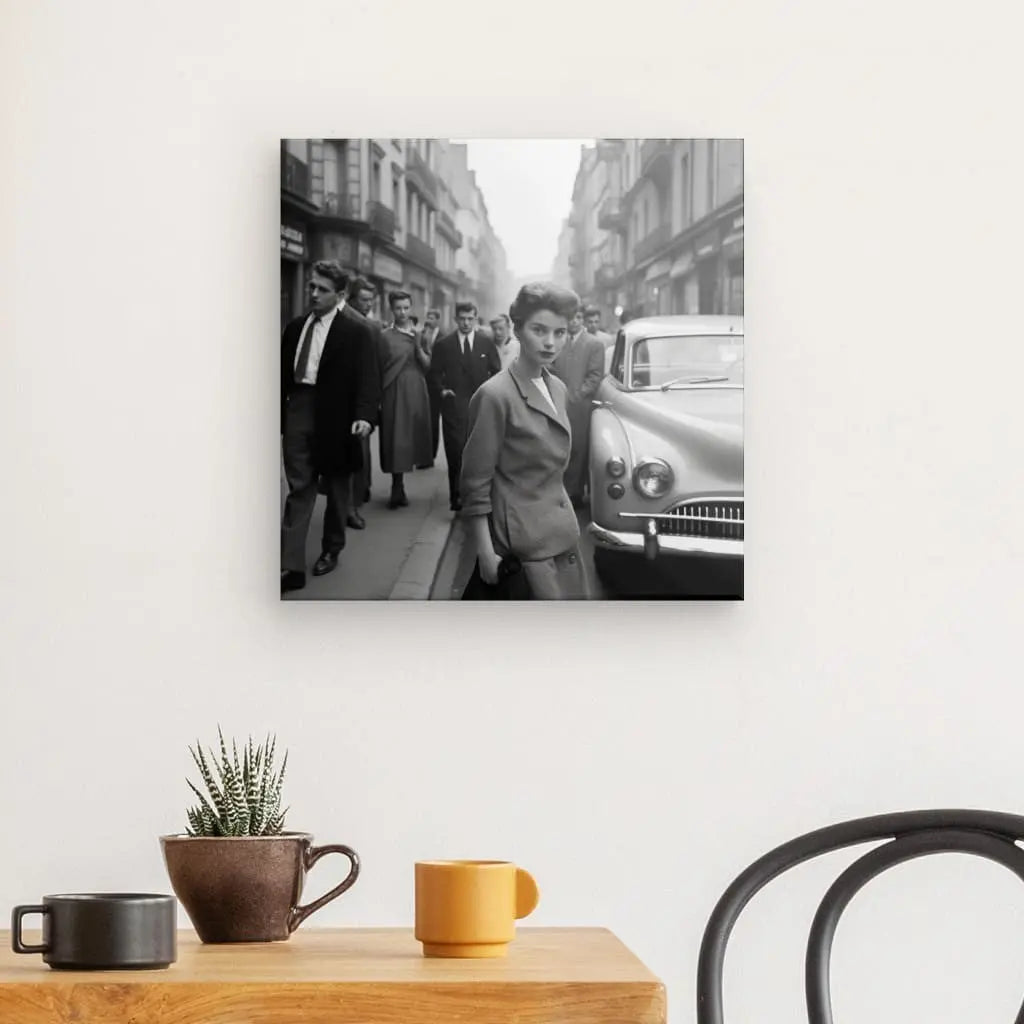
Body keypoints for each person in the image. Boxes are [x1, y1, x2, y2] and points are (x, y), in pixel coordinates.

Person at [459, 282, 589, 600]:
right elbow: (475, 484)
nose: (550, 342)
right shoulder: (494, 395)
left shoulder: (556, 387)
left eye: (559, 333)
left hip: (564, 539)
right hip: (526, 550)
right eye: (539, 330)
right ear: (517, 329)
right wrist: (485, 554)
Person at [280, 260, 379, 592]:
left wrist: (365, 416)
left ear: (339, 295)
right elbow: (282, 377)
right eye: (311, 286)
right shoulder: (295, 328)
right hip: (299, 410)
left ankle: (331, 548)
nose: (313, 294)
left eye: (322, 289)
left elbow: (369, 379)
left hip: (338, 418)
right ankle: (291, 566)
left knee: (337, 489)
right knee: (299, 488)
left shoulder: (356, 332)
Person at [429, 301, 500, 511]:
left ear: (476, 319)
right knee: (455, 452)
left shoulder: (485, 343)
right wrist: (442, 390)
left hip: (480, 408)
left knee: (480, 453)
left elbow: (497, 372)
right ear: (455, 319)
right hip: (454, 407)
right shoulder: (444, 344)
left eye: (470, 319)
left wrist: (490, 394)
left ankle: (477, 496)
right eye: (462, 319)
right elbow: (433, 373)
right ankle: (456, 497)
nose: (466, 323)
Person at [377, 290, 433, 508]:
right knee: (394, 437)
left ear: (411, 308)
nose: (402, 312)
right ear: (391, 309)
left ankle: (401, 485)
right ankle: (396, 486)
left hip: (416, 388)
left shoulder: (420, 334)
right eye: (398, 308)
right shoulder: (384, 336)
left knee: (411, 437)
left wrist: (417, 344)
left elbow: (428, 366)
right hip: (392, 388)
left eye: (406, 307)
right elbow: (379, 366)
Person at [550, 305, 605, 507]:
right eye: (570, 318)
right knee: (559, 446)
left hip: (581, 405)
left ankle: (575, 492)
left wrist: (578, 394)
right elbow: (550, 367)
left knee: (579, 448)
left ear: (582, 320)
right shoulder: (558, 341)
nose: (574, 322)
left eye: (578, 318)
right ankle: (561, 490)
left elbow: (595, 376)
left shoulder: (594, 344)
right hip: (558, 403)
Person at [346, 277, 382, 525]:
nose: (367, 304)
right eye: (363, 300)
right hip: (344, 397)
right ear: (351, 298)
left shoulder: (371, 326)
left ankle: (354, 501)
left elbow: (375, 368)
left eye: (371, 300)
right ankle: (350, 504)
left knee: (360, 453)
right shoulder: (353, 323)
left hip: (361, 399)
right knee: (352, 454)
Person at [417, 307, 444, 463]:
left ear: (438, 320)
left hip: (436, 384)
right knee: (422, 420)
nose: (429, 320)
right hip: (423, 381)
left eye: (432, 317)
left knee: (433, 420)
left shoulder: (442, 336)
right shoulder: (423, 334)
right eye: (428, 317)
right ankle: (422, 453)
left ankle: (431, 455)